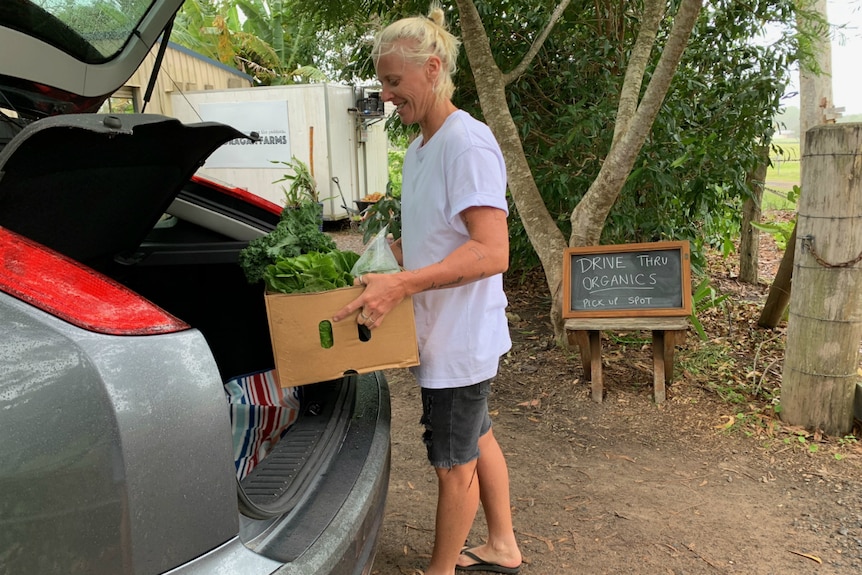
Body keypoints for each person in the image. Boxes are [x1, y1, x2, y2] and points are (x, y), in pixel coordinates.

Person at [332, 5, 522, 575]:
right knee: (477, 435)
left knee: (452, 463)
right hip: (439, 331)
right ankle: (504, 545)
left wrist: (405, 282)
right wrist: (387, 260)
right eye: (384, 82)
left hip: (460, 340)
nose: (386, 95)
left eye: (394, 81)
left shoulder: (467, 142)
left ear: (433, 69)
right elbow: (437, 236)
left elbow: (493, 251)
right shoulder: (419, 150)